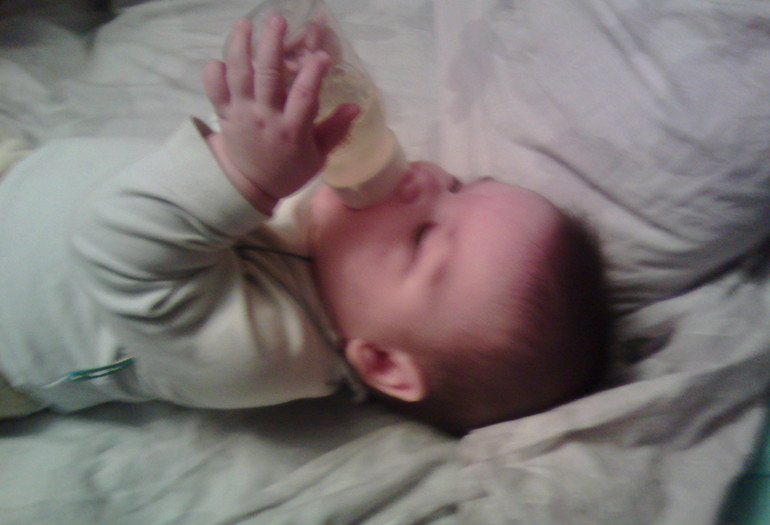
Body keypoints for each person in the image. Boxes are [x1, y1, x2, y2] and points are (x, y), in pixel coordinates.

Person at [0, 17, 610, 434]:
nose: (425, 177)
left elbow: (114, 251)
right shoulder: (332, 243)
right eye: (458, 185)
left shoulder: (261, 354)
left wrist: (243, 176)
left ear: (381, 362)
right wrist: (300, 98)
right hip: (21, 171)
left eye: (425, 235)